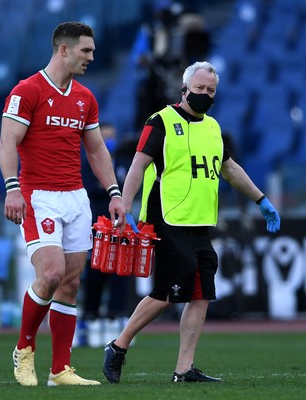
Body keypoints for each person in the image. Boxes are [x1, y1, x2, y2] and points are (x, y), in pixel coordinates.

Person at [103, 61, 281, 384]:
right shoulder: (161, 122)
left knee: (200, 294)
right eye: (199, 88)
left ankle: (183, 370)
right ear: (184, 89)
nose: (205, 94)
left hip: (199, 223)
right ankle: (118, 346)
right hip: (167, 219)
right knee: (167, 293)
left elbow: (230, 169)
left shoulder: (214, 129)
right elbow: (139, 165)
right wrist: (125, 204)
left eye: (210, 90)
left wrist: (261, 199)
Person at [0, 21, 125, 387]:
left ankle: (60, 371)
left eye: (93, 51)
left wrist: (114, 192)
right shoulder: (27, 90)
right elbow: (8, 142)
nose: (91, 57)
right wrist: (11, 188)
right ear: (64, 50)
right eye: (86, 51)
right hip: (39, 196)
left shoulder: (85, 97)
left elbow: (97, 149)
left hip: (75, 198)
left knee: (70, 284)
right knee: (50, 274)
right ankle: (23, 349)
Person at [80, 123, 133, 347]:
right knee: (95, 273)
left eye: (112, 136)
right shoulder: (86, 164)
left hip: (118, 227)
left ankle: (116, 316)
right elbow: (89, 189)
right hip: (95, 225)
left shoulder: (122, 163)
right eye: (105, 137)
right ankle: (89, 318)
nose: (109, 141)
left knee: (121, 271)